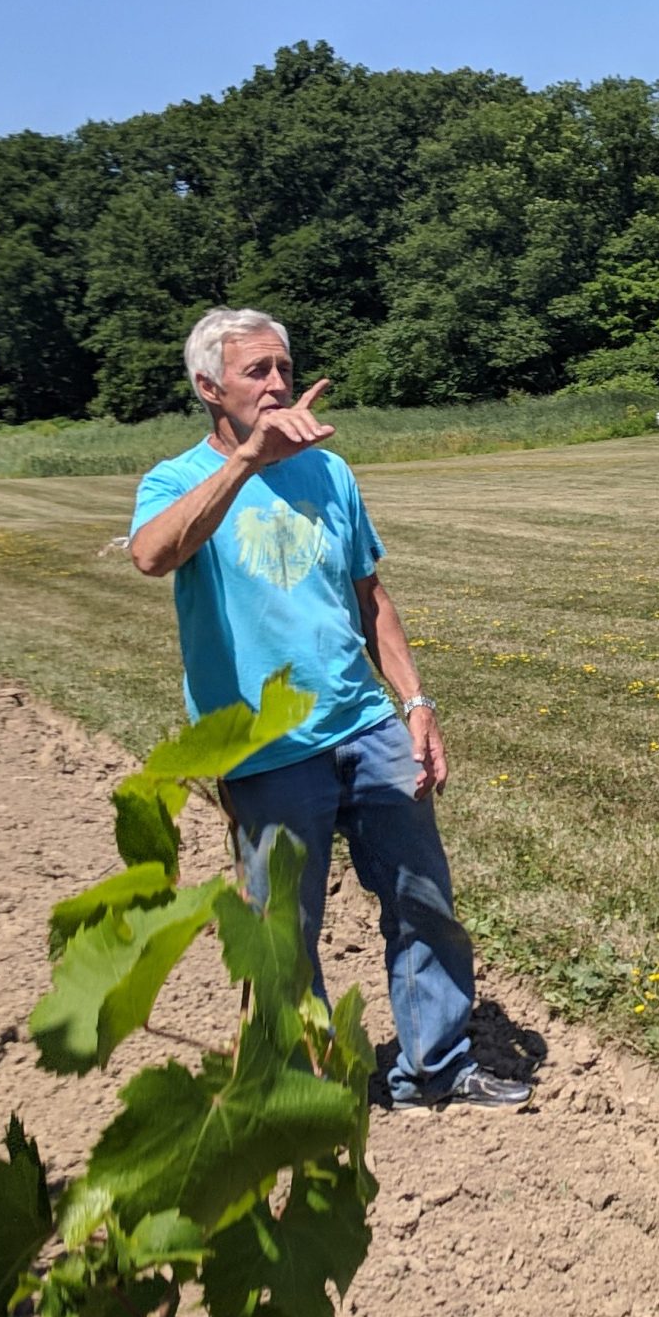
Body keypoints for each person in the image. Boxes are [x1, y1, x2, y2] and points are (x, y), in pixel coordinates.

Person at [129, 307, 530, 1112]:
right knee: (280, 932)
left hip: (364, 723)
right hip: (263, 748)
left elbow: (368, 592)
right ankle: (295, 1086)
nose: (278, 383)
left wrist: (414, 701)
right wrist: (246, 461)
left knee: (423, 898)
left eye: (283, 367)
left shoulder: (331, 472)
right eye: (256, 372)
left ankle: (438, 1066)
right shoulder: (175, 480)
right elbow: (153, 553)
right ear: (209, 387)